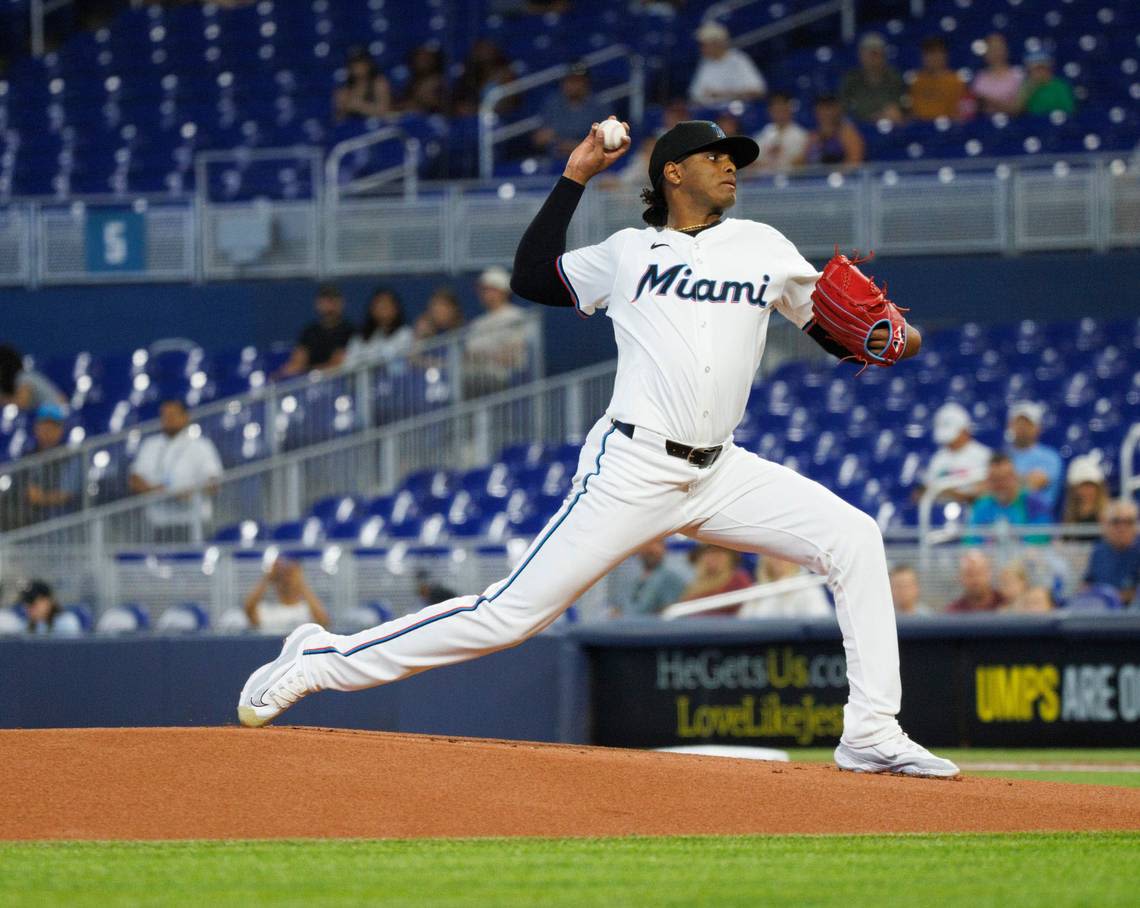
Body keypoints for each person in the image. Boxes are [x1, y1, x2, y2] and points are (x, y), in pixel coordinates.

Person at [236, 116, 958, 779]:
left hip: (722, 470)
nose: (733, 167)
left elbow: (848, 333)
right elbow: (530, 278)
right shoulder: (627, 253)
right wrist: (575, 174)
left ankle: (870, 729)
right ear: (673, 172)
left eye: (736, 160)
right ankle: (323, 658)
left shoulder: (764, 246)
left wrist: (897, 335)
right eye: (717, 157)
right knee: (509, 615)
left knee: (855, 538)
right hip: (633, 467)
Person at [129, 398, 224, 542]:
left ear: (185, 417)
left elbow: (214, 481)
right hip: (158, 522)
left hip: (193, 523)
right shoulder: (150, 445)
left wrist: (191, 492)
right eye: (165, 416)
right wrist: (154, 491)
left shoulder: (201, 445)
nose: (168, 420)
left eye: (173, 415)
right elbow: (135, 478)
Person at [464, 266, 531, 395]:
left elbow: (514, 353)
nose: (485, 294)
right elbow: (467, 354)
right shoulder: (477, 323)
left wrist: (484, 356)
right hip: (474, 377)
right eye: (483, 290)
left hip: (506, 376)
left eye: (490, 289)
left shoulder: (516, 316)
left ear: (503, 291)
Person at [967, 453, 1052, 542]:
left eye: (1004, 478)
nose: (1000, 485)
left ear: (1015, 477)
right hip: (988, 555)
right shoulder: (982, 505)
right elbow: (970, 541)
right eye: (995, 480)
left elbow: (1040, 538)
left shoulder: (1035, 504)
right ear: (988, 481)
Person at [918, 402, 991, 503]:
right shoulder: (938, 458)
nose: (949, 442)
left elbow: (986, 491)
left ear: (965, 430)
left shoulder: (983, 455)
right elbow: (927, 488)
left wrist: (952, 494)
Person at [277, 285, 355, 378]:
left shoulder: (351, 331)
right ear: (318, 304)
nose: (329, 307)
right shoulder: (309, 332)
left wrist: (309, 372)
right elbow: (297, 363)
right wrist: (278, 376)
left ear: (341, 303)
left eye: (333, 301)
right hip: (309, 384)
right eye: (325, 301)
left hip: (340, 383)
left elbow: (337, 365)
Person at [532, 66, 608, 160]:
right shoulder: (553, 104)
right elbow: (539, 138)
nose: (573, 85)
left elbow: (608, 141)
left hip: (588, 160)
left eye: (578, 81)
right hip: (555, 160)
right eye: (570, 80)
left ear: (586, 82)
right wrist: (555, 140)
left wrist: (577, 147)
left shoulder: (599, 106)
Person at [687, 21, 766, 109]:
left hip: (739, 112)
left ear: (716, 43)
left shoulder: (738, 59)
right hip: (712, 113)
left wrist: (723, 94)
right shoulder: (705, 63)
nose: (701, 48)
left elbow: (758, 91)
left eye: (704, 44)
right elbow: (694, 96)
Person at [25, 403, 82, 518]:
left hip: (64, 520)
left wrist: (40, 498)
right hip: (32, 521)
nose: (48, 432)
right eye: (44, 427)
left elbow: (66, 494)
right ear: (36, 428)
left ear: (61, 430)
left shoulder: (70, 455)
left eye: (53, 427)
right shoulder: (29, 454)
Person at [1005, 401, 1063, 515]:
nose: (1022, 428)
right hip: (1006, 517)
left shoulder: (1050, 457)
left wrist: (1004, 482)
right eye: (1018, 423)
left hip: (1037, 519)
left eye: (1028, 424)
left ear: (1037, 427)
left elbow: (1034, 484)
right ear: (1010, 426)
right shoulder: (1003, 456)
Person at [244, 559, 330, 634]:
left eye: (289, 575)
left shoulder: (307, 609)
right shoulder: (266, 610)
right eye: (281, 577)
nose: (286, 580)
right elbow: (249, 610)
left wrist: (299, 581)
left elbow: (323, 621)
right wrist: (267, 578)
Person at [1083, 499, 1140, 607]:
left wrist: (1113, 597)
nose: (1122, 528)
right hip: (1100, 610)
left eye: (1129, 522)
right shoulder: (1099, 551)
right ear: (1104, 524)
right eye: (1116, 522)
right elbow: (1087, 583)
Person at [738, 554, 832, 619]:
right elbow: (743, 628)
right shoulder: (756, 591)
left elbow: (820, 626)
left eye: (783, 555)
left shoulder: (808, 588)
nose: (778, 559)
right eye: (773, 554)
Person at [839, 32, 905, 123]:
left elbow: (904, 109)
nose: (873, 59)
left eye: (876, 54)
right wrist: (871, 119)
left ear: (884, 56)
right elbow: (843, 111)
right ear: (861, 55)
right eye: (869, 54)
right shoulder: (850, 80)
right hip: (860, 130)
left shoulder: (895, 78)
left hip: (891, 129)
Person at [346, 287, 415, 366]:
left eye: (387, 304)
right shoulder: (360, 339)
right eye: (379, 304)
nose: (383, 308)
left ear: (396, 309)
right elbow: (348, 366)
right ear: (372, 309)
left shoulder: (405, 334)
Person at [618, 538, 686, 616]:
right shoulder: (634, 581)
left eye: (656, 544)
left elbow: (670, 613)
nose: (650, 548)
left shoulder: (669, 579)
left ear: (664, 549)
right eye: (646, 544)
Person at [908, 36, 967, 122]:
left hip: (946, 129)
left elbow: (960, 113)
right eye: (928, 53)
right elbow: (912, 111)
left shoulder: (955, 81)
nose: (932, 58)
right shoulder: (917, 80)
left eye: (936, 53)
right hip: (920, 129)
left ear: (944, 56)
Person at [679, 544, 754, 608]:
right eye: (708, 552)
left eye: (719, 552)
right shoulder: (695, 583)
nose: (713, 557)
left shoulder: (738, 579)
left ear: (731, 557)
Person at [0, 344, 67, 414]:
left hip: (58, 416)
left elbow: (21, 404)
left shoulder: (24, 377)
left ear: (5, 366)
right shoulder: (5, 386)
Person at [333, 46, 392, 123]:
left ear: (368, 64)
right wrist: (342, 109)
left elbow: (385, 111)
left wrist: (360, 106)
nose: (358, 68)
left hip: (378, 130)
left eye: (361, 63)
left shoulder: (379, 83)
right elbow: (338, 121)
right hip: (354, 130)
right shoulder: (344, 91)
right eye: (354, 64)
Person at [753, 91, 808, 173]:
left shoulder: (800, 134)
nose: (779, 113)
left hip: (792, 180)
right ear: (770, 111)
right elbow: (754, 162)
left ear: (789, 110)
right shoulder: (764, 133)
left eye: (782, 108)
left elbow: (800, 162)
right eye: (776, 109)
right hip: (765, 180)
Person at [804, 95, 864, 167]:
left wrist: (834, 175)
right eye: (822, 108)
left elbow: (855, 162)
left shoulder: (847, 134)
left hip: (842, 176)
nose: (825, 113)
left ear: (837, 110)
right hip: (815, 176)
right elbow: (803, 162)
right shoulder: (813, 136)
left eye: (828, 108)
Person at [971, 33, 1023, 116]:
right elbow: (977, 107)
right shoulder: (980, 77)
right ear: (985, 53)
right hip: (985, 124)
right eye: (992, 49)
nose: (996, 52)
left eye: (999, 48)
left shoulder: (1018, 73)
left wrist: (989, 102)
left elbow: (1018, 108)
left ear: (1006, 50)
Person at [1017, 51, 1075, 116]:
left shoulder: (1060, 86)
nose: (1040, 72)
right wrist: (1029, 90)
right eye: (1035, 69)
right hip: (1033, 123)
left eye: (1042, 68)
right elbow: (1018, 111)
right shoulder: (1026, 86)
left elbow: (1069, 110)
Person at [1061, 455, 1109, 528]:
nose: (1086, 492)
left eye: (1090, 486)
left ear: (1099, 489)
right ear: (1074, 490)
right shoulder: (1068, 516)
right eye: (1082, 487)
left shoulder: (1110, 516)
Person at [401, 45, 445, 114]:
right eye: (420, 57)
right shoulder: (410, 79)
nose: (423, 61)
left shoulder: (439, 80)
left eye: (427, 58)